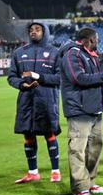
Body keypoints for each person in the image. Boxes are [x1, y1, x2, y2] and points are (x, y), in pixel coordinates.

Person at [58, 27, 103, 195]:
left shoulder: (89, 55)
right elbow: (79, 78)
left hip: (94, 107)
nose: (98, 42)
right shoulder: (72, 54)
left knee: (95, 148)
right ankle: (80, 187)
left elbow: (97, 79)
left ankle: (89, 182)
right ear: (89, 40)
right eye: (96, 39)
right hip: (79, 109)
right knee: (78, 149)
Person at [7, 21, 62, 184]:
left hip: (46, 100)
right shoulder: (19, 52)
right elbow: (11, 76)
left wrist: (39, 77)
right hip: (26, 100)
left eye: (38, 29)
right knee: (28, 135)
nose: (33, 32)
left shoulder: (54, 53)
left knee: (49, 134)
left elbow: (60, 78)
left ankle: (55, 171)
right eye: (31, 30)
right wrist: (21, 84)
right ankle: (33, 172)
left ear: (44, 32)